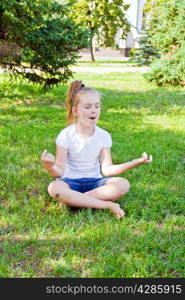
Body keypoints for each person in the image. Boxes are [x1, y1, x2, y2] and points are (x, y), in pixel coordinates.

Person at [40, 80, 152, 219]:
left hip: (95, 184)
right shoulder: (66, 135)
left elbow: (107, 170)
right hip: (69, 182)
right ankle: (107, 205)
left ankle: (76, 201)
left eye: (97, 106)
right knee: (54, 188)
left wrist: (134, 162)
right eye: (87, 107)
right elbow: (59, 171)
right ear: (75, 110)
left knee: (123, 184)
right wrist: (48, 165)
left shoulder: (103, 136)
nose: (93, 110)